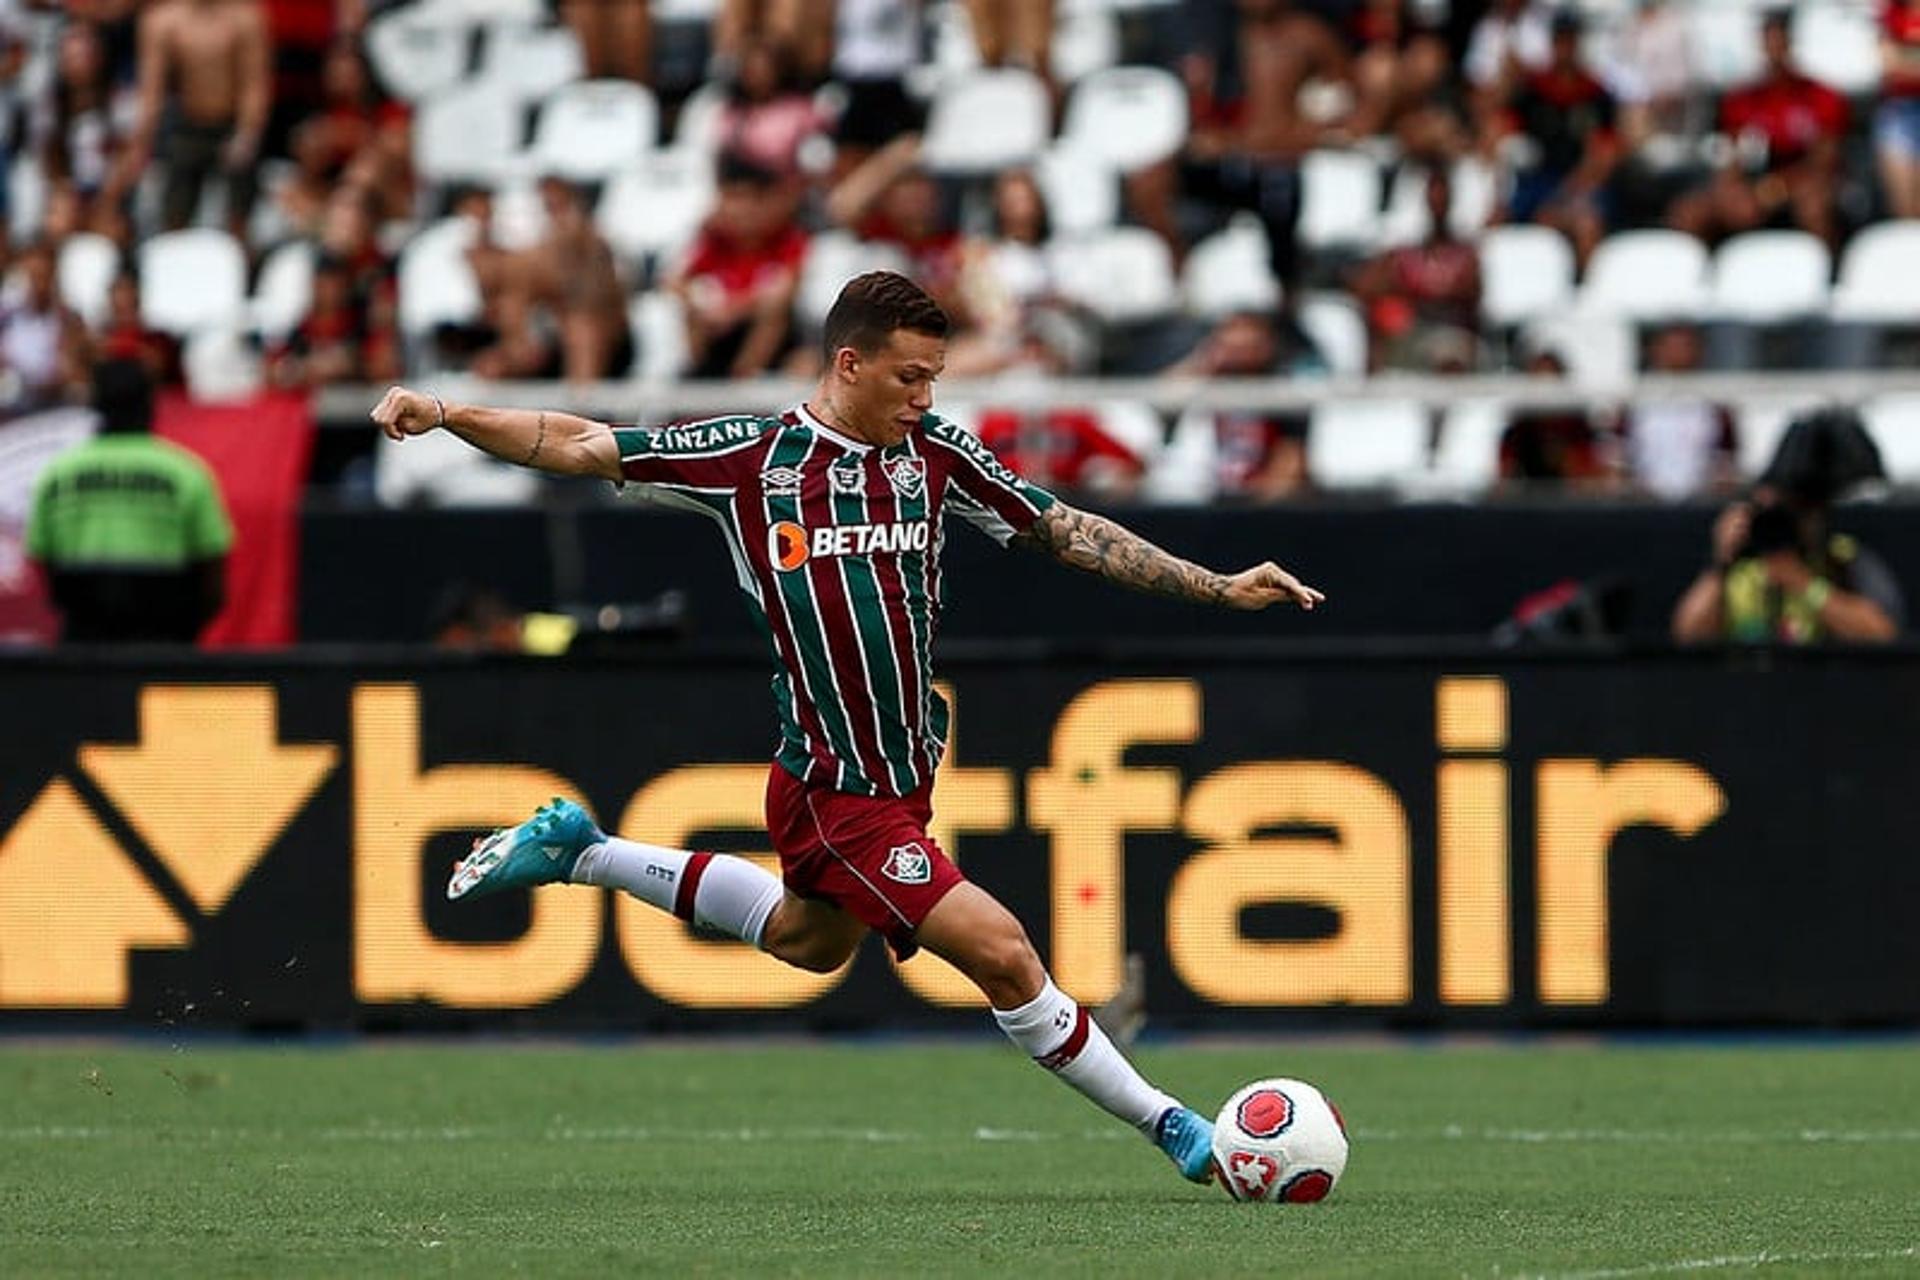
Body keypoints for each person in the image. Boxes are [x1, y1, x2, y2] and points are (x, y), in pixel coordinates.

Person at [370, 271, 1323, 1185]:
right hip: (839, 790)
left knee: (808, 943)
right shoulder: (752, 460)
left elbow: (1062, 527)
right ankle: (1176, 1128)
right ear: (849, 364)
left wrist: (1214, 584)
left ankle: (583, 851)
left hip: (900, 777)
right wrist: (448, 413)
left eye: (934, 378)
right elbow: (575, 441)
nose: (925, 396)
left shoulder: (936, 457)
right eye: (911, 376)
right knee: (1003, 954)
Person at [25, 359, 232, 643]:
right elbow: (213, 582)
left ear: (95, 406)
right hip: (164, 653)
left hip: (82, 657)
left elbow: (43, 563)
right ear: (150, 403)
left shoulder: (57, 475)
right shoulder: (188, 474)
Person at [1673, 410, 1902, 645]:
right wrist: (1720, 564)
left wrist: (1802, 582)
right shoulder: (1741, 566)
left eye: (1800, 511)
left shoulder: (1841, 559)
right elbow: (1689, 635)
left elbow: (1882, 635)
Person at [117, 0, 271, 237]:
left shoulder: (245, 18)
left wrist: (247, 133)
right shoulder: (163, 21)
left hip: (231, 124)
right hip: (187, 125)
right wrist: (140, 145)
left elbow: (254, 84)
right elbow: (151, 92)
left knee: (239, 217)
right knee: (174, 215)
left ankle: (242, 262)